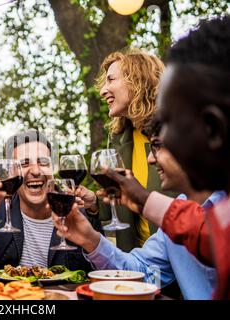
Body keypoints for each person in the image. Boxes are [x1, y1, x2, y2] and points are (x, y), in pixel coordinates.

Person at [101, 16, 230, 299]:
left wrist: (146, 201)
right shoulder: (213, 215)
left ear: (213, 129)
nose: (153, 153)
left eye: (168, 122)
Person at [53, 120, 225, 299]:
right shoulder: (177, 210)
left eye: (158, 145)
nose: (150, 158)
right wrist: (90, 239)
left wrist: (146, 201)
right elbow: (141, 273)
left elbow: (216, 241)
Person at [0, 130, 102, 270]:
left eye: (43, 162)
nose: (36, 171)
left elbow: (101, 263)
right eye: (24, 164)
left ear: (53, 169)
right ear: (12, 172)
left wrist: (94, 207)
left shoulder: (75, 210)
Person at [95, 48, 176, 251]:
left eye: (111, 80)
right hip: (141, 260)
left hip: (181, 256)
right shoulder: (119, 138)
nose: (103, 90)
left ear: (138, 81)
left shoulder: (177, 132)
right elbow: (121, 204)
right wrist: (94, 204)